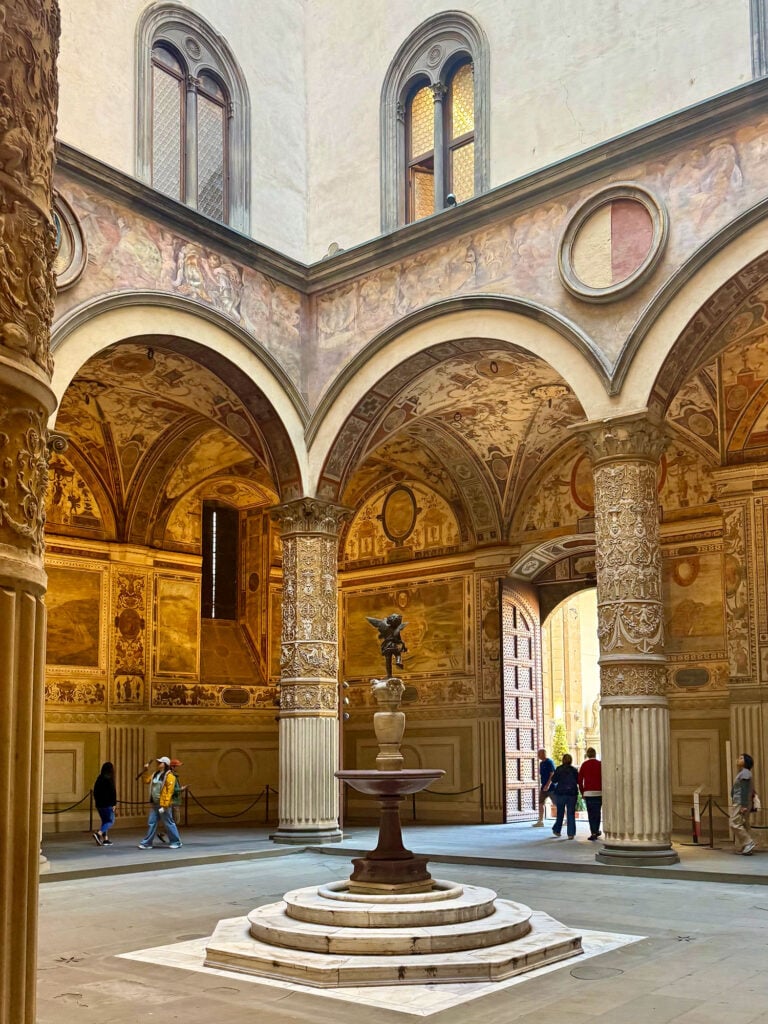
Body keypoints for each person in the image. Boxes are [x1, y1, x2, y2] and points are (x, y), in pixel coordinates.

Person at [138, 756, 183, 850]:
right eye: (158, 762)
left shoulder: (170, 776)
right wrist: (145, 770)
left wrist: (165, 805)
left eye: (161, 762)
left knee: (169, 823)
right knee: (152, 822)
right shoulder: (155, 774)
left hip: (163, 804)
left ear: (165, 764)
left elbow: (169, 792)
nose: (159, 764)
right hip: (155, 804)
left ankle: (176, 842)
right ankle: (147, 843)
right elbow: (146, 781)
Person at [731, 752, 756, 856]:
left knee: (734, 823)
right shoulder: (743, 773)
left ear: (746, 762)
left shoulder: (745, 773)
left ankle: (748, 842)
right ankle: (746, 847)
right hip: (741, 801)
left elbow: (745, 790)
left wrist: (744, 805)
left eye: (741, 758)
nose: (738, 759)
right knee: (744, 824)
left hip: (741, 802)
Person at [550, 753, 579, 839]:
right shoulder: (574, 770)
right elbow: (577, 781)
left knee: (560, 813)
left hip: (561, 793)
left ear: (563, 760)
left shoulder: (559, 769)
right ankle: (571, 833)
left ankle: (557, 830)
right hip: (572, 794)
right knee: (571, 813)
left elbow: (554, 780)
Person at [157, 758, 184, 844]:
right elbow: (171, 790)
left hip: (171, 801)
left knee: (171, 821)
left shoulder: (171, 775)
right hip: (172, 802)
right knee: (174, 821)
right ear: (172, 767)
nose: (178, 768)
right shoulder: (171, 776)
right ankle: (175, 840)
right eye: (177, 766)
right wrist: (180, 789)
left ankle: (165, 835)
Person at [578, 747, 603, 841]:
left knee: (591, 813)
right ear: (595, 754)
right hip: (599, 792)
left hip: (588, 793)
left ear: (587, 755)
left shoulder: (584, 765)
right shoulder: (600, 764)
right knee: (597, 812)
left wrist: (582, 792)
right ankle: (596, 830)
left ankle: (593, 832)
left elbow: (580, 780)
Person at [92, 761, 116, 847]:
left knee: (104, 821)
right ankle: (99, 833)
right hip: (107, 804)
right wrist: (114, 804)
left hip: (99, 804)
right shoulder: (109, 779)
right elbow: (113, 792)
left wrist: (97, 801)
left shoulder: (99, 778)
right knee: (110, 821)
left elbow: (95, 791)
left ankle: (106, 839)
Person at [532, 748, 556, 826]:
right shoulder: (541, 763)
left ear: (543, 754)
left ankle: (566, 819)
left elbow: (552, 774)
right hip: (543, 787)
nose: (538, 756)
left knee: (557, 803)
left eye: (539, 754)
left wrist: (548, 785)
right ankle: (540, 821)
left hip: (551, 787)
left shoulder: (550, 762)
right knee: (540, 803)